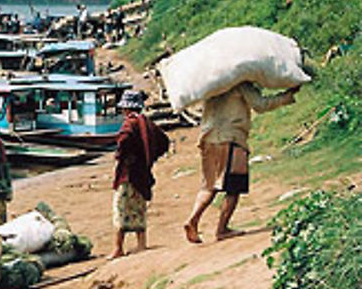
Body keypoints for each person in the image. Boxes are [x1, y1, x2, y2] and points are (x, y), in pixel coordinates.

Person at [183, 82, 300, 243]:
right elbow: (261, 105)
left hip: (208, 138)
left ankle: (193, 219)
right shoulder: (239, 83)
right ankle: (222, 229)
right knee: (234, 186)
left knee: (209, 184)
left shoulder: (211, 85)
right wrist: (287, 95)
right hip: (231, 137)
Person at [110, 90, 170, 259]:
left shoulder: (131, 123)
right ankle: (141, 244)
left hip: (128, 174)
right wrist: (149, 158)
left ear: (127, 109)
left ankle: (118, 248)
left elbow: (124, 140)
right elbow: (164, 142)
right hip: (142, 173)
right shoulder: (148, 123)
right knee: (138, 209)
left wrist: (123, 156)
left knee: (121, 210)